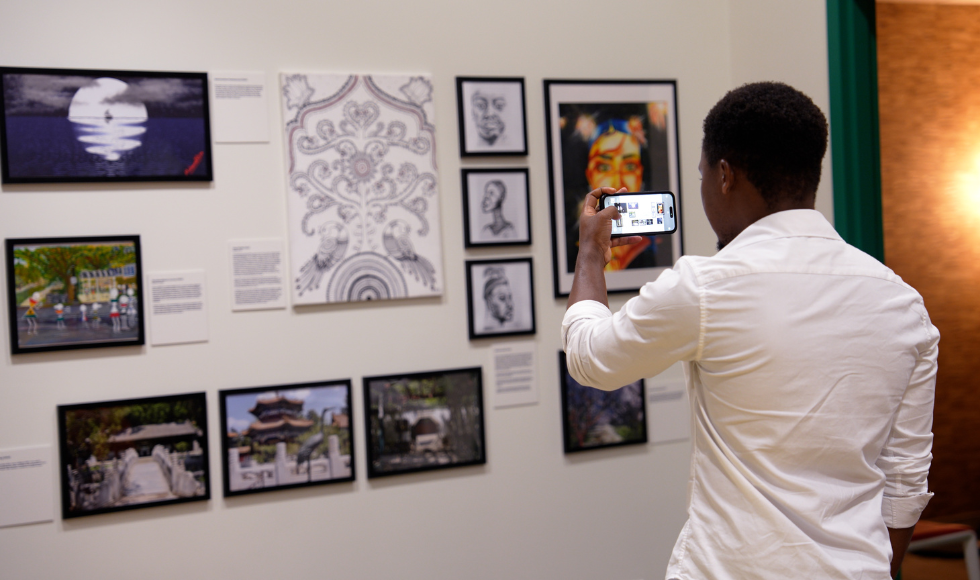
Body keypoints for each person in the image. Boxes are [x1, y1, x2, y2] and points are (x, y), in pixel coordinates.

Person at [562, 82, 937, 579]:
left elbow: (590, 358)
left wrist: (590, 253)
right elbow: (905, 486)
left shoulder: (707, 287)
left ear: (724, 175)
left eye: (701, 176)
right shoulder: (904, 305)